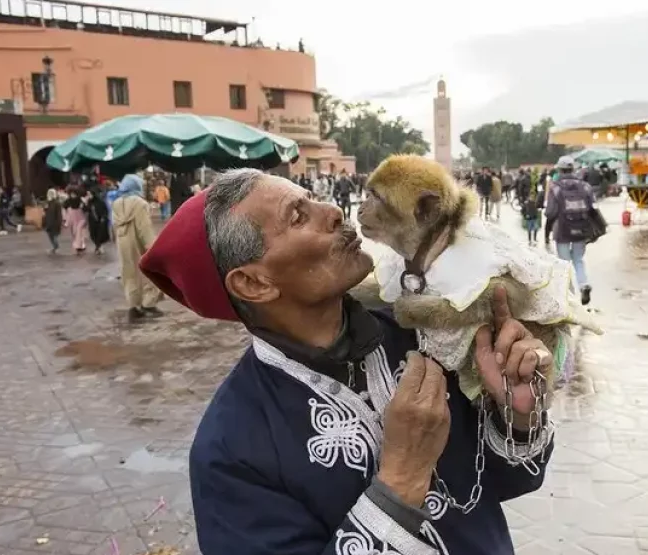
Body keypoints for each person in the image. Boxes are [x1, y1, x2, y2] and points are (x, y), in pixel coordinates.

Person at [139, 169, 555, 555]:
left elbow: (505, 479)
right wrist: (402, 480)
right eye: (299, 216)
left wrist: (518, 415)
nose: (335, 211)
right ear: (253, 283)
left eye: (314, 198)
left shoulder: (425, 334)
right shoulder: (230, 450)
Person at [112, 174, 163, 323]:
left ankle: (133, 306)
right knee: (150, 272)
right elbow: (144, 228)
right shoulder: (140, 203)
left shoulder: (116, 203)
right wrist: (153, 248)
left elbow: (115, 225)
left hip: (123, 243)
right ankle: (149, 304)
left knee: (128, 274)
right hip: (138, 243)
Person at [545, 156, 595, 306]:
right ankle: (584, 285)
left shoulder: (555, 188)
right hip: (581, 230)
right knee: (579, 260)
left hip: (562, 231)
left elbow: (550, 213)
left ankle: (571, 296)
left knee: (564, 263)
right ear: (573, 169)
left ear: (559, 170)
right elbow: (593, 208)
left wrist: (547, 232)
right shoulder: (585, 187)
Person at [84, 188, 111, 255]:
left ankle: (98, 246)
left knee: (99, 234)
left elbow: (105, 210)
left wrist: (103, 217)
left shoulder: (100, 202)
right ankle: (98, 246)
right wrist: (84, 204)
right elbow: (87, 210)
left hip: (100, 221)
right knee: (93, 234)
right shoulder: (89, 202)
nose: (89, 195)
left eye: (89, 194)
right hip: (92, 221)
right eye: (88, 194)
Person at [63, 187, 88, 254]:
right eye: (71, 194)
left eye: (74, 194)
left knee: (79, 230)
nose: (73, 195)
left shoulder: (80, 200)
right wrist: (66, 219)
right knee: (74, 232)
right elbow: (64, 207)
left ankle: (78, 245)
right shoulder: (68, 200)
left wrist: (83, 206)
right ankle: (80, 244)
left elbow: (85, 209)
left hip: (80, 217)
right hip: (72, 217)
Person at [43, 188, 63, 254]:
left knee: (54, 236)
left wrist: (59, 223)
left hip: (55, 222)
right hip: (48, 222)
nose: (49, 195)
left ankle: (56, 247)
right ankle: (54, 247)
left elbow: (59, 214)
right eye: (49, 193)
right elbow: (46, 212)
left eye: (51, 194)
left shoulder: (57, 203)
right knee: (50, 236)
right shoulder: (48, 202)